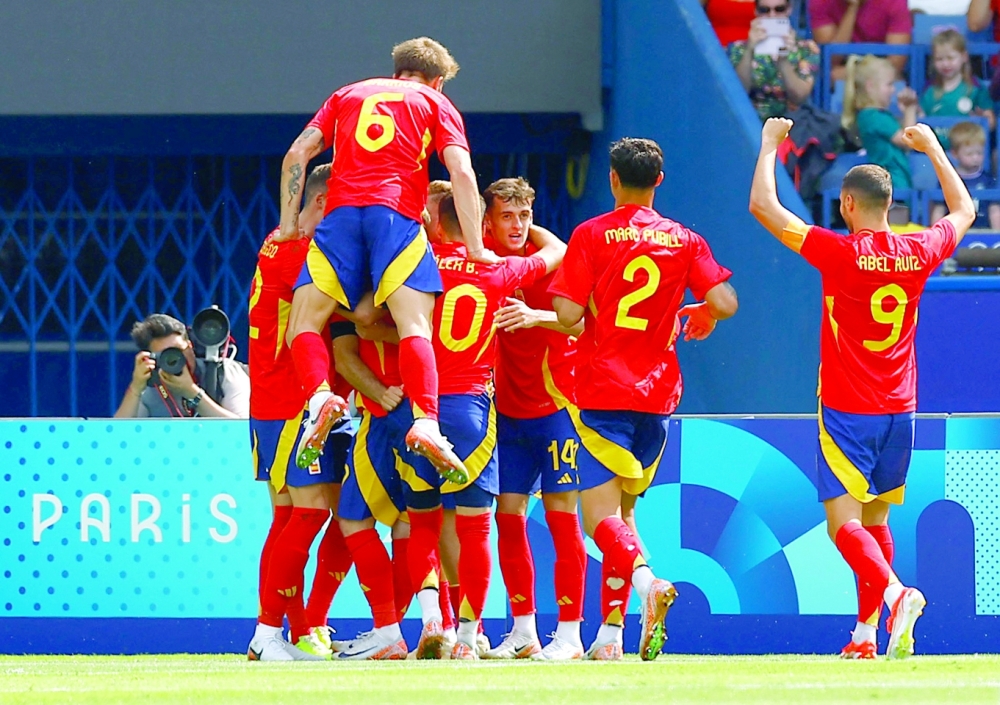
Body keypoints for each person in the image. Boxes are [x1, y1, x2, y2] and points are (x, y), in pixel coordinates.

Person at [749, 117, 974, 659]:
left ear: (848, 205)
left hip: (850, 407)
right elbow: (965, 211)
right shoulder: (919, 249)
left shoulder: (838, 251)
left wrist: (768, 146)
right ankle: (865, 635)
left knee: (842, 525)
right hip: (902, 408)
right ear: (889, 204)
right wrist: (935, 149)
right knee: (876, 521)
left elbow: (763, 206)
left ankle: (896, 593)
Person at [280, 37, 500, 486]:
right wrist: (476, 247)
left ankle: (319, 398)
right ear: (437, 81)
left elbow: (297, 153)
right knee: (415, 327)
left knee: (302, 324)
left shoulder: (348, 94)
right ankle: (426, 422)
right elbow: (460, 172)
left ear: (396, 69)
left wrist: (287, 224)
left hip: (340, 218)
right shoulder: (436, 104)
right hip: (396, 217)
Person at [550, 138, 738, 661]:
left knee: (597, 521)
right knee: (624, 515)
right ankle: (610, 639)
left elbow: (565, 316)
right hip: (657, 394)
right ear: (659, 180)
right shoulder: (684, 239)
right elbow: (725, 301)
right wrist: (700, 311)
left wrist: (589, 301)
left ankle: (647, 582)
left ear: (613, 180)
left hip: (601, 388)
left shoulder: (590, 235)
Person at [396, 193, 565, 661]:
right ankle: (469, 639)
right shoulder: (497, 270)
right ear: (476, 223)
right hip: (473, 412)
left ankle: (435, 621)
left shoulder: (420, 265)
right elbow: (557, 253)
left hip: (422, 411)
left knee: (422, 526)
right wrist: (523, 228)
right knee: (475, 532)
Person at [475, 177, 588, 662]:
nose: (518, 226)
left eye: (524, 216)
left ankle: (570, 633)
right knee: (508, 518)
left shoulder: (552, 267)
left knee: (564, 519)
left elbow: (584, 321)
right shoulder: (485, 268)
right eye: (507, 216)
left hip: (558, 411)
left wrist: (535, 317)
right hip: (509, 415)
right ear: (487, 221)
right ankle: (523, 630)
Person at [246, 165, 355, 662]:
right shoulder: (299, 253)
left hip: (281, 400)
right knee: (309, 512)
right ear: (320, 203)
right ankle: (268, 633)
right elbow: (359, 309)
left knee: (298, 514)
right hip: (291, 402)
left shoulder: (278, 240)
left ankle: (299, 629)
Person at [114, 313, 249, 419]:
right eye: (165, 354)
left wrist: (191, 392)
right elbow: (115, 438)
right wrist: (136, 388)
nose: (175, 359)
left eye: (179, 350)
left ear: (190, 346)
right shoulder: (150, 388)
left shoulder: (224, 372)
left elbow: (241, 432)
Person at [729, 0, 821, 121]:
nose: (772, 15)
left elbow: (799, 96)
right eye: (764, 10)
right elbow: (739, 91)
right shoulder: (739, 49)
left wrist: (783, 60)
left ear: (789, 9)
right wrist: (749, 50)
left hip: (793, 125)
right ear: (756, 11)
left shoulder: (806, 49)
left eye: (779, 9)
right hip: (752, 122)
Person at [842, 55, 919, 193]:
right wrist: (910, 109)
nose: (893, 90)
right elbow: (908, 141)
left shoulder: (870, 116)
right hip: (894, 185)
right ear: (870, 86)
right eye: (889, 84)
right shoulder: (874, 116)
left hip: (891, 185)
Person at [809, 0, 912, 79]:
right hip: (842, 70)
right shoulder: (820, 2)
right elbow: (829, 61)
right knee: (828, 76)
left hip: (880, 70)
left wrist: (860, 74)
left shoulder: (895, 2)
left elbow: (895, 65)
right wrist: (852, 9)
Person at [920, 29, 995, 132]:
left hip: (967, 147)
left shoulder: (976, 87)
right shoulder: (929, 88)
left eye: (950, 58)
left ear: (964, 57)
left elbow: (990, 122)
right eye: (939, 59)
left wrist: (981, 120)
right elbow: (921, 120)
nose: (945, 64)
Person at [930, 121, 1000, 229]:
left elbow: (994, 211)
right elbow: (939, 210)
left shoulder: (988, 180)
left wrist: (996, 238)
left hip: (983, 235)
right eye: (969, 154)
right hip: (954, 234)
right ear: (955, 154)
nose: (975, 157)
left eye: (979, 153)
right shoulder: (947, 179)